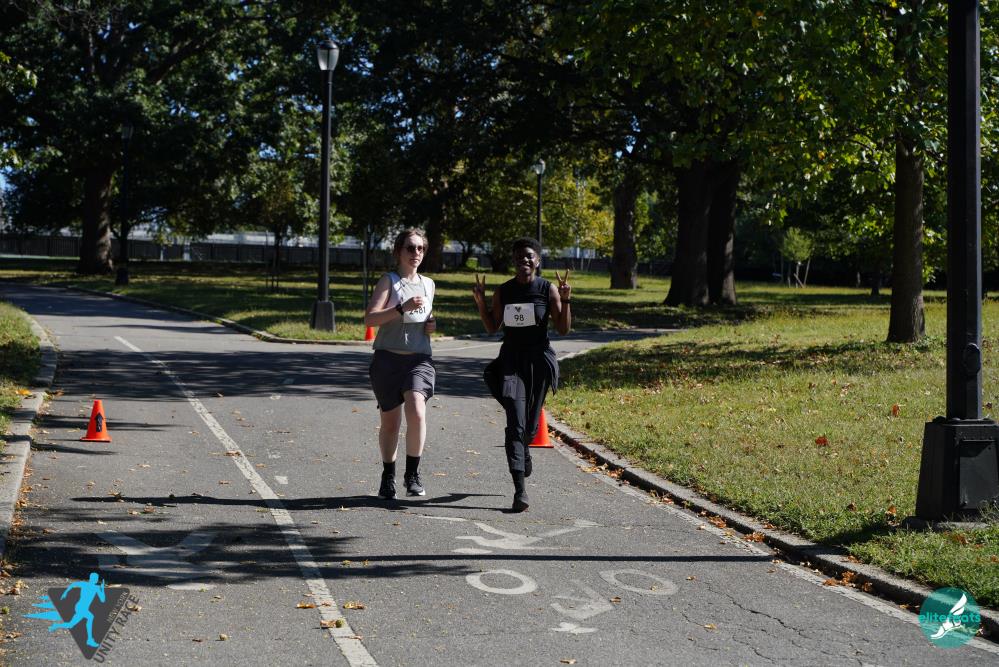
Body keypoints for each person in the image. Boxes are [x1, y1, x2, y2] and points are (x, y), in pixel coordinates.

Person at [472, 238, 571, 512]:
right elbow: (492, 326)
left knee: (529, 428)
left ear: (537, 260)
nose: (523, 260)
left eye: (529, 256)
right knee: (515, 422)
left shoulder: (547, 289)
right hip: (512, 362)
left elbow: (563, 328)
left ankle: (525, 448)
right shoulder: (504, 291)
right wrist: (481, 302)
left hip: (538, 362)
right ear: (513, 261)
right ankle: (520, 490)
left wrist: (565, 299)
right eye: (518, 256)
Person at [365, 229, 437, 499]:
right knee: (391, 423)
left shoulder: (429, 284)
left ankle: (412, 475)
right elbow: (370, 319)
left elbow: (426, 319)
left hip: (419, 359)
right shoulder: (389, 281)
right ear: (398, 251)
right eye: (410, 248)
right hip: (388, 359)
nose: (416, 253)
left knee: (417, 410)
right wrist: (399, 309)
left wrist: (431, 325)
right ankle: (388, 476)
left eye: (420, 248)